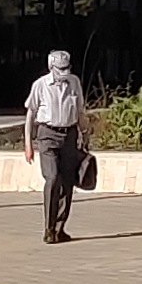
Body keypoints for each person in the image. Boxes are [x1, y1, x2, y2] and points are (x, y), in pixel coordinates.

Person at [24, 48, 87, 244]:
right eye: (60, 68)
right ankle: (48, 228)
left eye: (67, 67)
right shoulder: (40, 85)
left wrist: (85, 135)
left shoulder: (74, 82)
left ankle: (60, 228)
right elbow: (30, 116)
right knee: (52, 178)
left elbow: (81, 111)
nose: (64, 71)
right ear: (51, 67)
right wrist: (28, 143)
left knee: (68, 182)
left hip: (69, 135)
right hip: (47, 135)